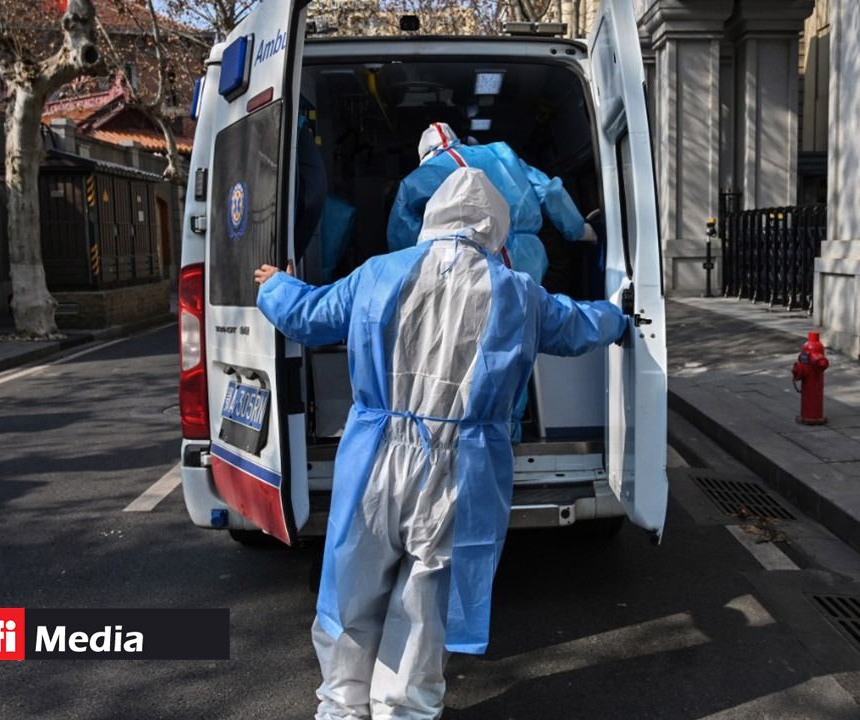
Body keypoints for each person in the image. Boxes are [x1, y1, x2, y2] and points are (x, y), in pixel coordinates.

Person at [253, 167, 627, 719]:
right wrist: (621, 316)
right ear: (496, 226)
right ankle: (402, 710)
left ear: (431, 216)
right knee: (426, 603)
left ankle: (341, 707)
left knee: (352, 587)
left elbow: (307, 316)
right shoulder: (518, 292)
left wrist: (274, 286)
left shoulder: (378, 272)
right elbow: (578, 326)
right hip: (463, 466)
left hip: (374, 458)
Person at [386, 122, 598, 441]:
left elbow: (403, 238)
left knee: (470, 341)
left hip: (463, 261)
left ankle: (471, 430)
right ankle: (509, 428)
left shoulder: (418, 179)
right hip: (527, 253)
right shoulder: (501, 153)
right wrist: (579, 230)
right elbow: (549, 190)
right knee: (518, 335)